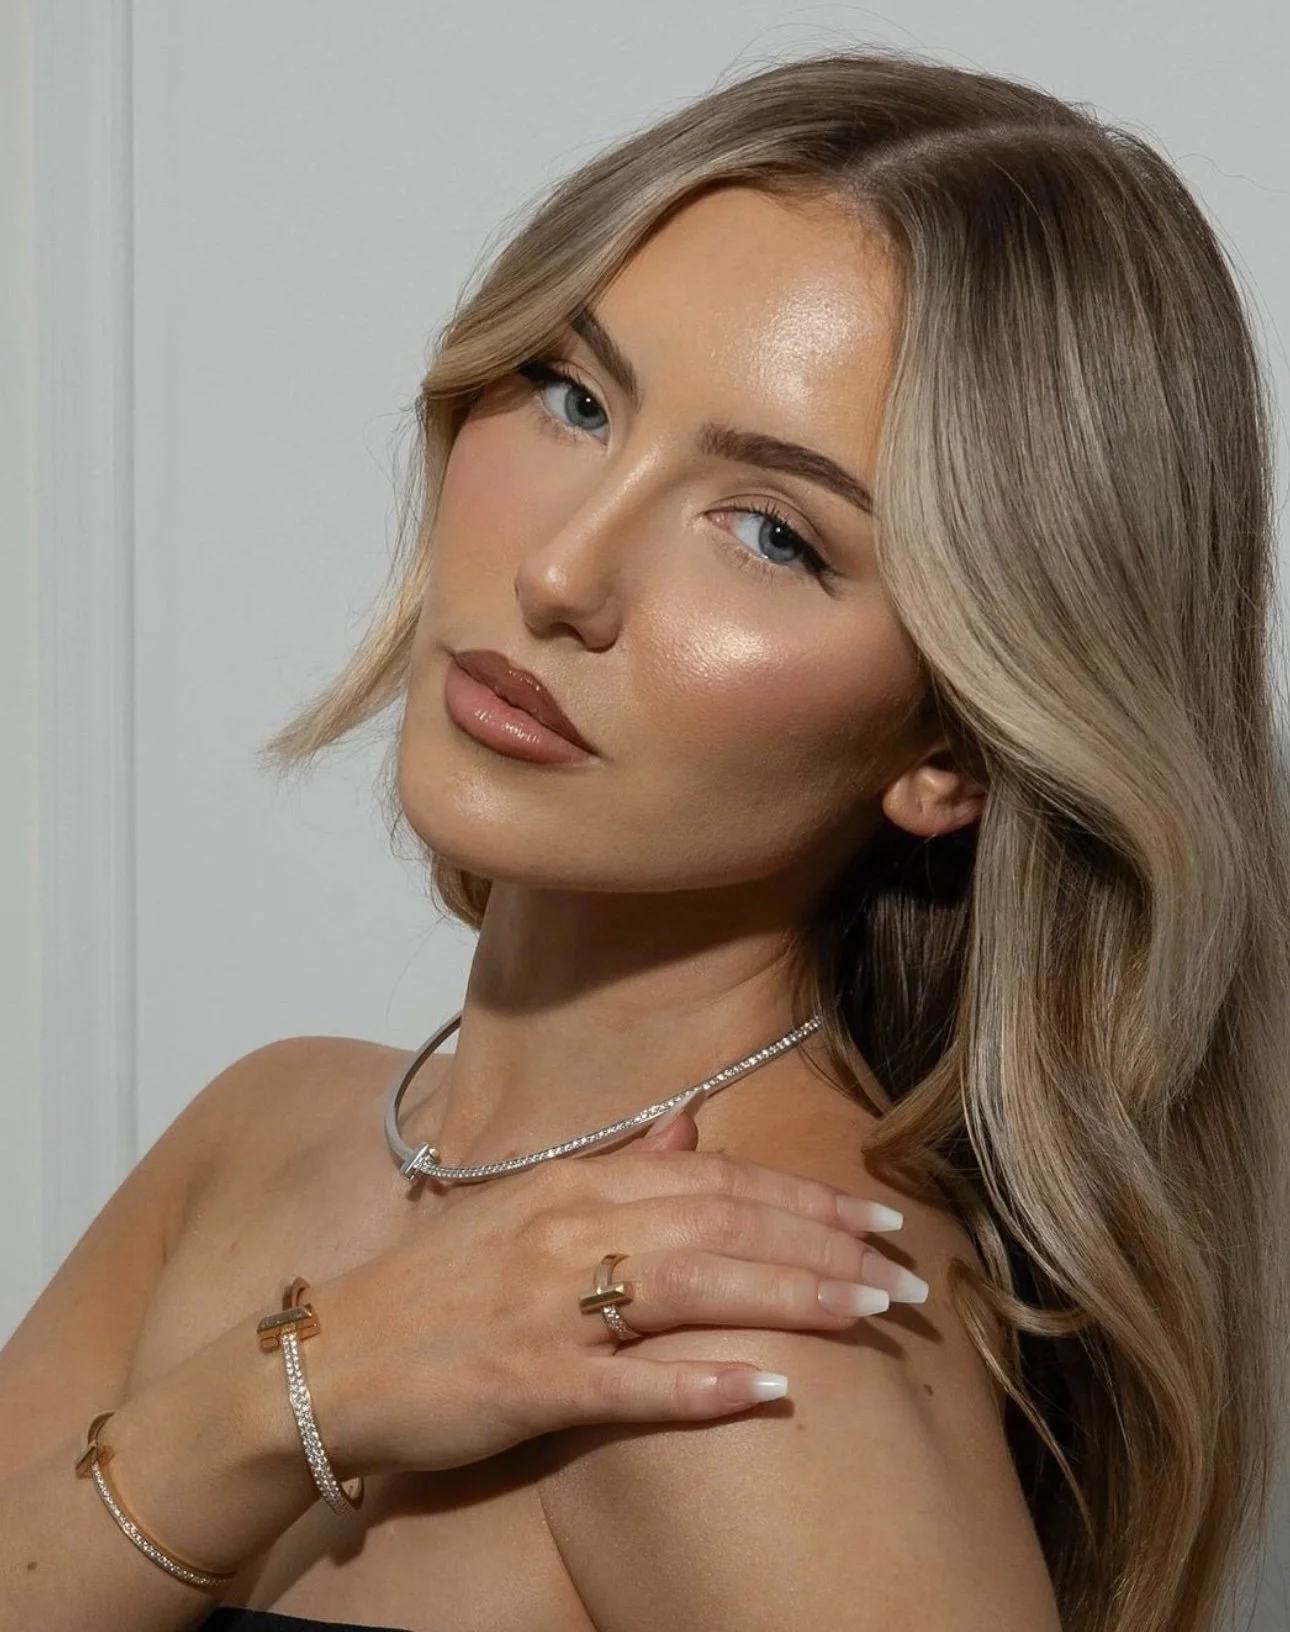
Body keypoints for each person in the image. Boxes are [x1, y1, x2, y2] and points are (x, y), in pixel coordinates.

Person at [3, 43, 1288, 1632]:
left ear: (951, 744)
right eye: (576, 397)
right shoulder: (260, 1140)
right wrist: (299, 1389)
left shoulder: (751, 1353)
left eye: (773, 533)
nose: (563, 569)